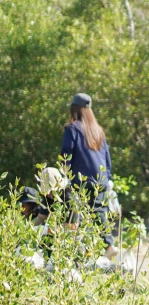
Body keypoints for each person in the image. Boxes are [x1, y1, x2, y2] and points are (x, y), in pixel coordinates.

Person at [60, 93, 115, 254]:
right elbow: (106, 157)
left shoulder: (72, 128)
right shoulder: (98, 130)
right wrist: (108, 178)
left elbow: (66, 153)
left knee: (74, 212)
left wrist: (65, 175)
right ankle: (108, 246)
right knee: (99, 212)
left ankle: (77, 250)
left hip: (81, 180)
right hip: (100, 179)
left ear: (74, 109)